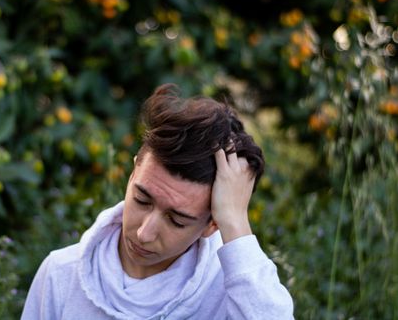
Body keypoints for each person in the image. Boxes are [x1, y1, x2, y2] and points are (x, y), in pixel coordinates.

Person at [21, 84, 294, 319]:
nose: (144, 233)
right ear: (132, 173)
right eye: (142, 199)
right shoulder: (60, 275)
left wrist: (234, 222)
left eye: (176, 220)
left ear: (212, 225)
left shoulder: (230, 292)